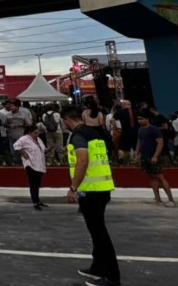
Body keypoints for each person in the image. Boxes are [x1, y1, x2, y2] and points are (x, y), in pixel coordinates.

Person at [63, 107, 120, 286]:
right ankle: (98, 267)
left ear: (66, 120)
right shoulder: (95, 132)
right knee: (96, 232)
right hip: (102, 187)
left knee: (99, 233)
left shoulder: (77, 135)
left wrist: (73, 187)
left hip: (91, 189)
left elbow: (82, 160)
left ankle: (112, 277)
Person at [136, 110, 176, 207]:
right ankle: (157, 199)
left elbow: (160, 143)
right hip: (145, 157)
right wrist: (137, 153)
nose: (139, 121)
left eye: (141, 119)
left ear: (147, 119)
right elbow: (139, 141)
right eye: (138, 119)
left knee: (160, 177)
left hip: (154, 157)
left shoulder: (154, 129)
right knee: (151, 177)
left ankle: (171, 199)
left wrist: (155, 156)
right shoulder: (140, 130)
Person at [14, 124, 47, 210]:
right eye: (35, 133)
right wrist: (23, 153)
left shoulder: (38, 139)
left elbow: (43, 149)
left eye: (38, 132)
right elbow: (16, 146)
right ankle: (35, 202)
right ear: (30, 133)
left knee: (37, 184)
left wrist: (49, 149)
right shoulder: (24, 139)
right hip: (30, 164)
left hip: (39, 164)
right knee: (33, 184)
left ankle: (37, 200)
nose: (37, 134)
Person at [3, 100, 32, 164]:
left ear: (17, 107)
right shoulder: (8, 115)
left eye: (12, 106)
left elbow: (29, 124)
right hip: (11, 136)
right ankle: (15, 164)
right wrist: (9, 125)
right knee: (13, 151)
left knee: (21, 150)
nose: (11, 108)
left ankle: (22, 163)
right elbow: (4, 124)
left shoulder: (23, 115)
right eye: (10, 106)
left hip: (21, 136)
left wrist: (21, 125)